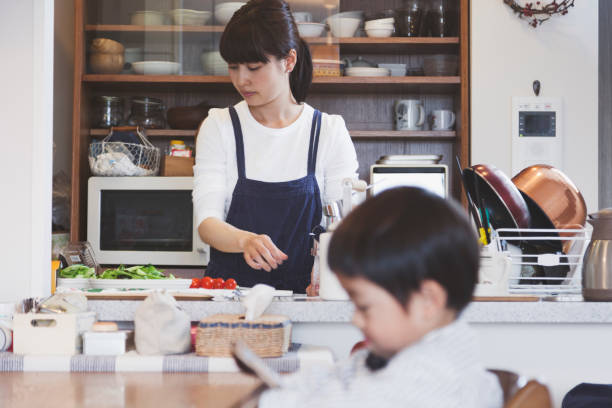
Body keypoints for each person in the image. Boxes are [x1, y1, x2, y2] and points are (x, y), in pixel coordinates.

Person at [258, 187, 504, 407]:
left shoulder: (431, 380)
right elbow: (337, 374)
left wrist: (268, 400)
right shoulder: (396, 352)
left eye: (364, 307)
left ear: (428, 301)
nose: (356, 319)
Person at [192, 0, 358, 293]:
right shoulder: (219, 126)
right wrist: (244, 240)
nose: (241, 79)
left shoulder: (328, 131)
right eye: (233, 67)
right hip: (231, 302)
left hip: (306, 301)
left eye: (254, 67)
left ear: (289, 61)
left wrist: (328, 275)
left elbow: (344, 228)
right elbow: (207, 222)